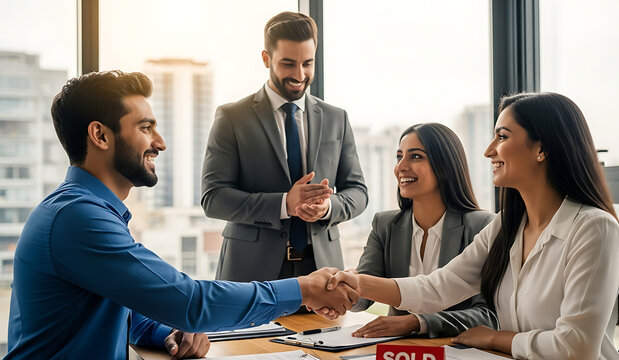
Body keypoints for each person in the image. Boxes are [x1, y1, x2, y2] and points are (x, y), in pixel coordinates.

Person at [6, 71, 359, 359]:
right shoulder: (78, 218)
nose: (160, 142)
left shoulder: (87, 210)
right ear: (100, 135)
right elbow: (190, 302)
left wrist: (165, 332)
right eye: (145, 128)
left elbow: (125, 311)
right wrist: (303, 288)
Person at [328, 93, 619, 359]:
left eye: (502, 137)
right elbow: (438, 287)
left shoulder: (594, 228)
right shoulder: (507, 226)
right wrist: (356, 282)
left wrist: (494, 337)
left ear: (541, 148)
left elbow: (575, 348)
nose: (489, 151)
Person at [201, 11, 368, 282]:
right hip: (251, 273)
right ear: (266, 58)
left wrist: (328, 208)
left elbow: (358, 192)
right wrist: (283, 204)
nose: (300, 75)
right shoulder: (232, 117)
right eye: (288, 64)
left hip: (322, 270)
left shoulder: (337, 118)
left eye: (308, 63)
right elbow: (213, 198)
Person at [350, 123, 498, 338]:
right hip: (398, 349)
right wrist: (340, 293)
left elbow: (488, 315)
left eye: (416, 156)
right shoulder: (385, 224)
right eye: (399, 156)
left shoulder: (483, 226)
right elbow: (364, 292)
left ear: (445, 167)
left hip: (454, 348)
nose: (401, 166)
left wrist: (417, 322)